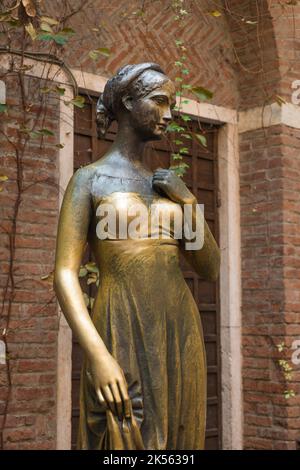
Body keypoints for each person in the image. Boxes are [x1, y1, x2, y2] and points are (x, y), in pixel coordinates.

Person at [54, 63, 220, 450]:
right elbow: (65, 272)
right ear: (128, 102)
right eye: (160, 102)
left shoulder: (166, 187)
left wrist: (190, 202)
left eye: (172, 105)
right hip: (121, 324)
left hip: (178, 326)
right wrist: (97, 354)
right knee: (124, 437)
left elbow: (209, 268)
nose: (169, 114)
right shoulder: (90, 179)